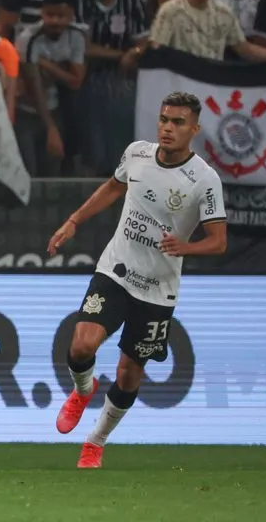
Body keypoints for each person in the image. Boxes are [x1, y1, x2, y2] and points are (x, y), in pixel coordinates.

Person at [46, 91, 228, 468]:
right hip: (116, 269)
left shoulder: (204, 180)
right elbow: (113, 187)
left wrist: (185, 247)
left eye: (178, 122)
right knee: (82, 345)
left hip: (158, 289)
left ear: (194, 129)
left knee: (130, 372)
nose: (167, 128)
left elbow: (218, 241)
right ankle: (83, 390)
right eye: (164, 119)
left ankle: (96, 441)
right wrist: (74, 220)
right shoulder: (137, 154)